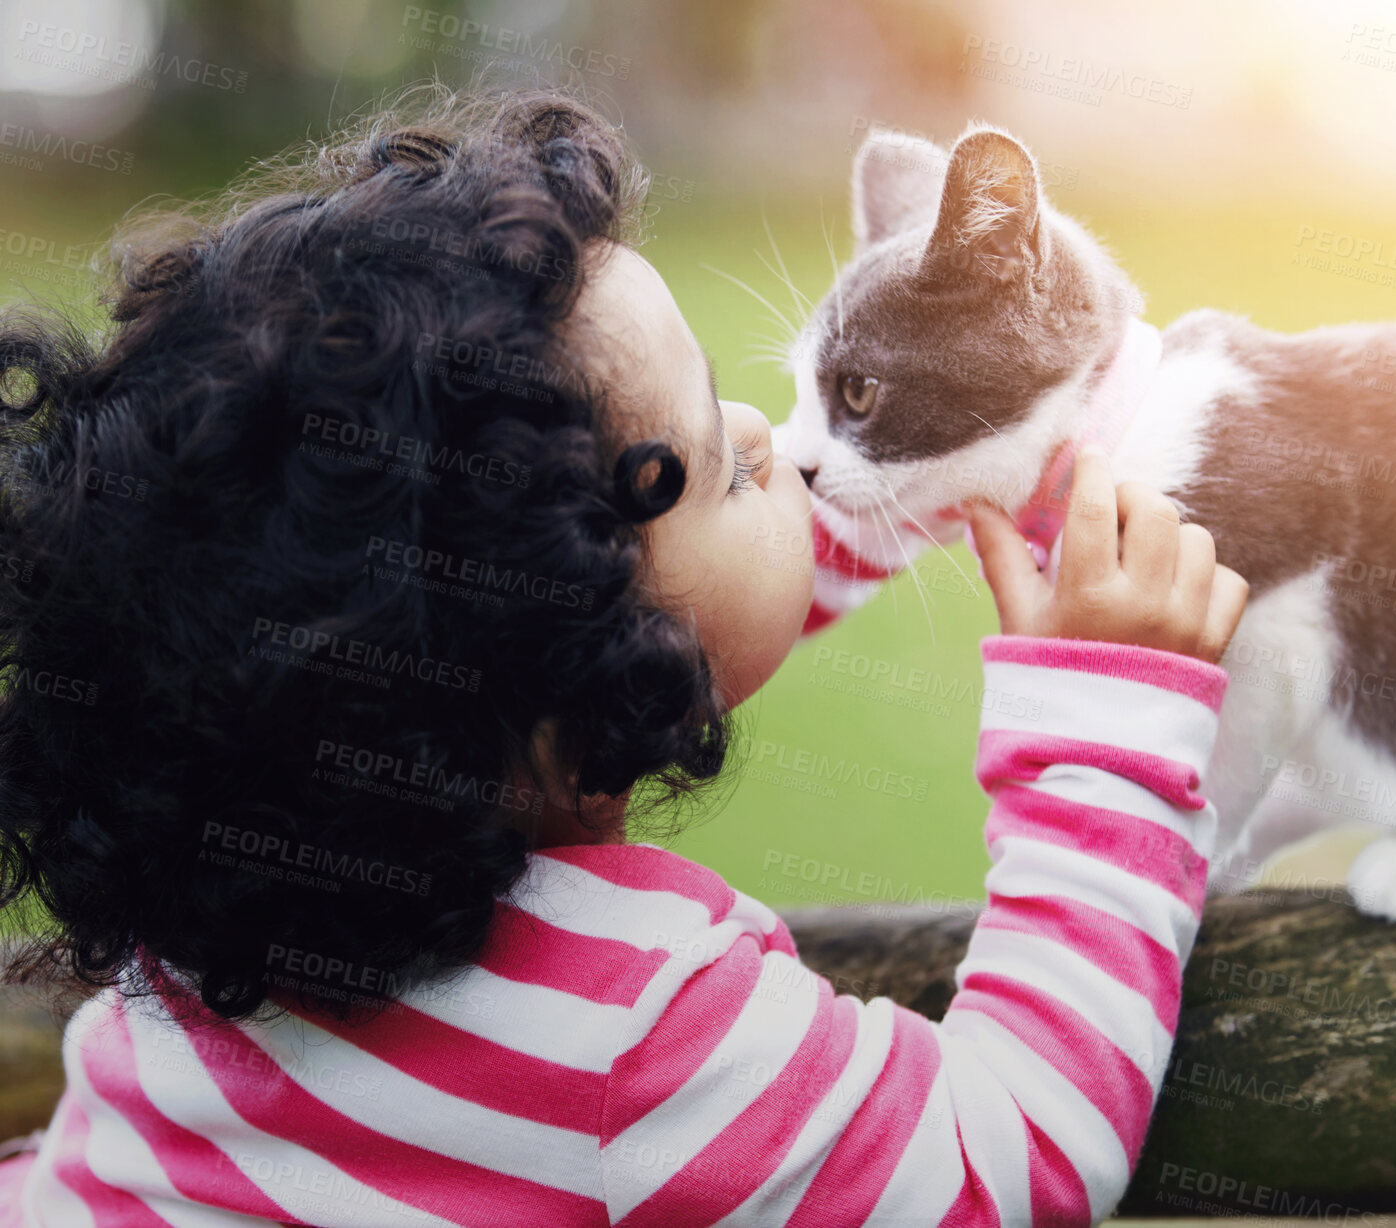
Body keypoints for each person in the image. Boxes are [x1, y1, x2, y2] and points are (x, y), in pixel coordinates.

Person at [0, 84, 1246, 1226]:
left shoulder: (203, 931)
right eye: (723, 463)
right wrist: (1106, 735)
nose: (775, 439)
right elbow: (1011, 1156)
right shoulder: (638, 1033)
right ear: (590, 680)